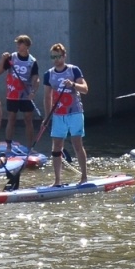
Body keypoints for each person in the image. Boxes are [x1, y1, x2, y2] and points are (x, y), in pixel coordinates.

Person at [42, 42, 89, 186]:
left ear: (64, 56)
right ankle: (57, 181)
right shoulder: (48, 74)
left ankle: (84, 177)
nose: (56, 59)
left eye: (58, 56)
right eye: (53, 57)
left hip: (74, 112)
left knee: (77, 145)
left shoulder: (74, 70)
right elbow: (47, 97)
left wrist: (73, 85)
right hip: (58, 115)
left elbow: (85, 89)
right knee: (56, 147)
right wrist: (47, 116)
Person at [0, 34, 43, 151]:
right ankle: (8, 145)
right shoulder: (11, 58)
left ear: (27, 45)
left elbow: (36, 78)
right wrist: (3, 59)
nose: (17, 45)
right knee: (11, 118)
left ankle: (30, 147)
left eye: (20, 43)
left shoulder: (32, 61)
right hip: (12, 94)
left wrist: (33, 91)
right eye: (17, 43)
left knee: (28, 119)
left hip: (25, 95)